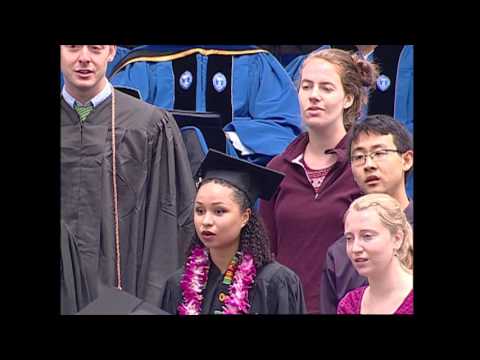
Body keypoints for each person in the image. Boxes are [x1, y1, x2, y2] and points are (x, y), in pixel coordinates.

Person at [60, 45, 196, 313]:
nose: (84, 58)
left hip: (123, 291)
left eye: (96, 48)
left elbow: (167, 223)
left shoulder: (148, 124)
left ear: (111, 51)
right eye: (73, 47)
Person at [259, 48, 379, 313]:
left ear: (348, 98)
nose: (314, 96)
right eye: (306, 86)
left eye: (326, 88)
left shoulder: (366, 168)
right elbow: (265, 252)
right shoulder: (277, 169)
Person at [161, 149, 307, 314]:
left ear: (244, 217)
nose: (206, 221)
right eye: (200, 211)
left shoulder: (274, 283)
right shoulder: (179, 285)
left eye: (219, 211)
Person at [109, 45, 303, 165]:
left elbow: (284, 127)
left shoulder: (255, 60)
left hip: (235, 189)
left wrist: (226, 139)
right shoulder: (143, 63)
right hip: (158, 181)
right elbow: (116, 124)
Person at [319, 114, 413, 314]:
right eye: (359, 157)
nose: (368, 164)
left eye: (379, 153)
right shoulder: (339, 253)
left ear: (406, 160)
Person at [337, 193, 413, 314]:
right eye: (349, 238)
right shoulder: (349, 304)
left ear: (397, 238)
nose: (355, 248)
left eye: (367, 236)